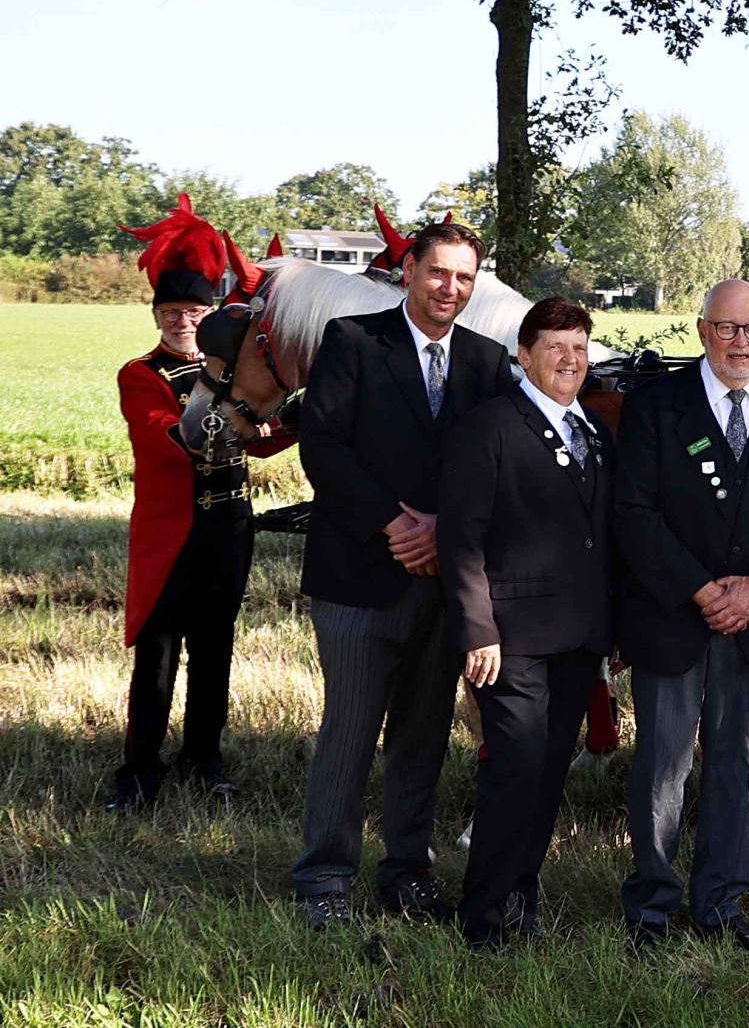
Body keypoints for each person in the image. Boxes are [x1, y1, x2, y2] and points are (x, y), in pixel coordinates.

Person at [291, 218, 513, 930]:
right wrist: (395, 524)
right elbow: (324, 448)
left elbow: (493, 464)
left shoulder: (485, 360)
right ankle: (324, 878)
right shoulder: (353, 342)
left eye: (464, 277)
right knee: (350, 733)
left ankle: (407, 873)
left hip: (442, 583)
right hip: (359, 576)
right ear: (408, 270)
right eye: (439, 271)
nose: (450, 287)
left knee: (422, 737)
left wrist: (443, 531)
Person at [615, 279, 749, 948]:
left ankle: (722, 902)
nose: (742, 342)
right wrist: (703, 590)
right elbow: (633, 511)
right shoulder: (656, 404)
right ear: (703, 330)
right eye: (729, 328)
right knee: (663, 766)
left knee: (736, 762)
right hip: (674, 615)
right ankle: (651, 906)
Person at [438, 297, 615, 950]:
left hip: (578, 636)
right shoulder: (489, 426)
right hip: (509, 639)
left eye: (580, 348)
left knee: (547, 775)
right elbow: (461, 538)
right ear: (524, 355)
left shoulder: (594, 433)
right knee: (514, 771)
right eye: (556, 347)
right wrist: (478, 629)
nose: (571, 360)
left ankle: (521, 899)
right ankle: (481, 916)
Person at [110, 195, 290, 811]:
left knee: (215, 650)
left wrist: (293, 420)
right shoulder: (141, 373)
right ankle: (139, 770)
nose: (181, 320)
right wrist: (236, 423)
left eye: (192, 311)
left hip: (228, 527)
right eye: (170, 311)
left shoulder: (236, 370)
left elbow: (263, 440)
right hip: (171, 533)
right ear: (156, 315)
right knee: (158, 655)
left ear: (210, 315)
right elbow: (163, 436)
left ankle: (204, 759)